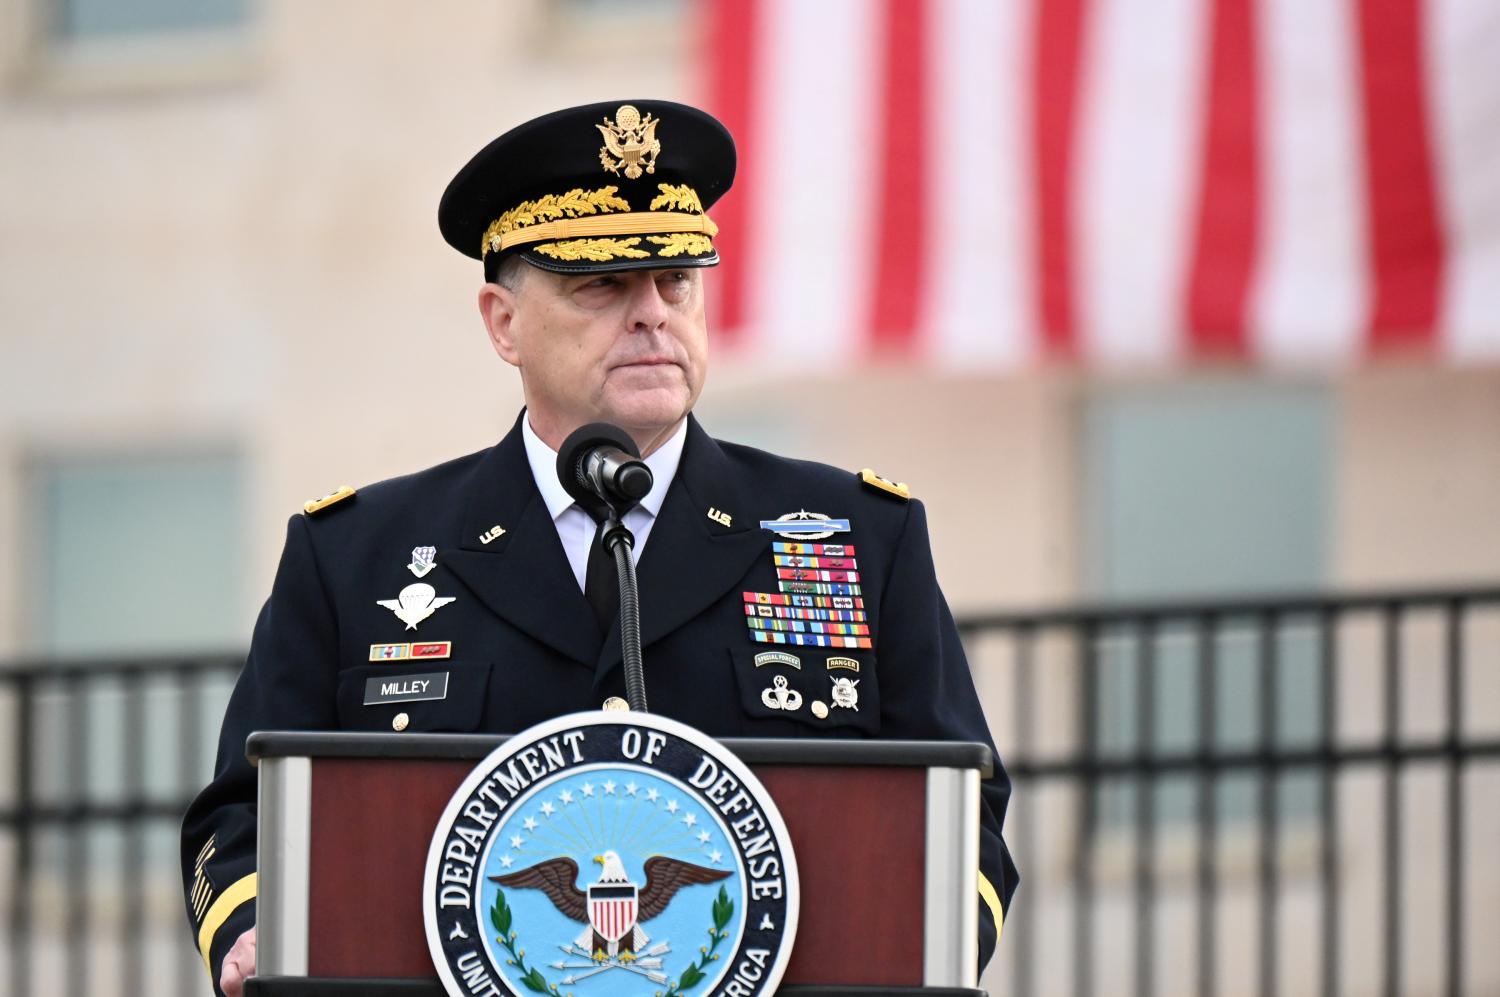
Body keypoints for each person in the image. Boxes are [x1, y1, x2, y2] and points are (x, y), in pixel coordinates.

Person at [181, 99, 1018, 997]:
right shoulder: (356, 557)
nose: (652, 315)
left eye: (676, 281)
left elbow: (964, 817)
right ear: (503, 323)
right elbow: (241, 817)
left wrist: (918, 943)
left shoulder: (856, 536)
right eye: (602, 286)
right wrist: (252, 926)